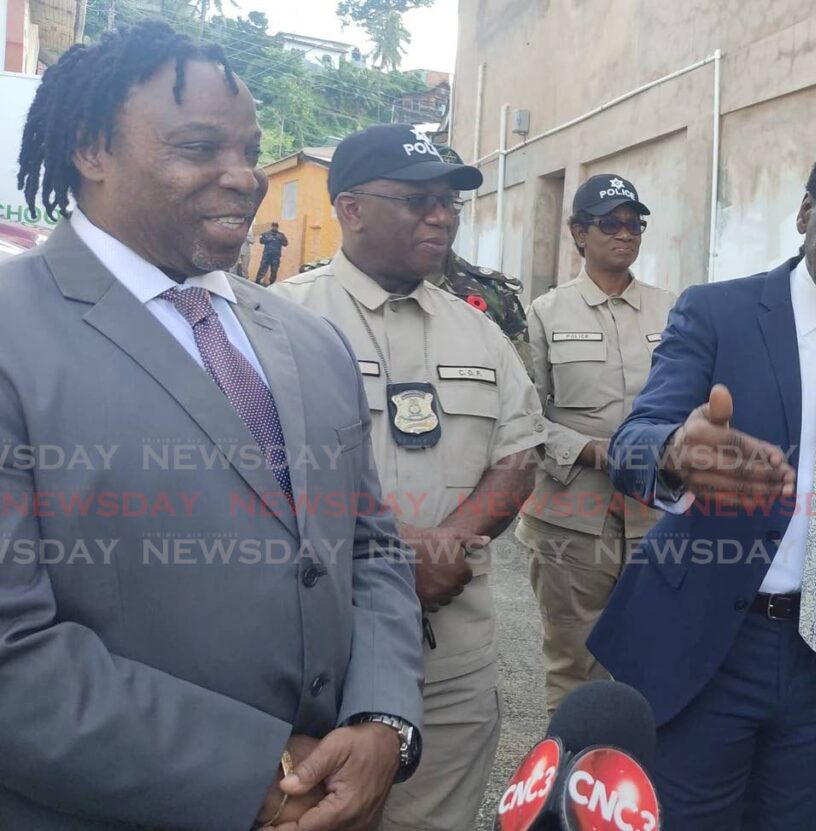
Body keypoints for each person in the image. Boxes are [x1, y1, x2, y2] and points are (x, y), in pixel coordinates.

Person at [1, 23, 423, 829]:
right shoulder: (12, 332)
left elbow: (368, 548)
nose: (243, 178)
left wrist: (382, 722)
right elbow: (11, 650)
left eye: (251, 149)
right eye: (199, 147)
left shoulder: (308, 338)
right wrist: (260, 772)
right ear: (93, 148)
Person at [589, 131, 816, 830]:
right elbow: (632, 441)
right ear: (807, 212)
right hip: (708, 648)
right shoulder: (718, 312)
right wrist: (675, 453)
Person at [272, 123, 545, 831]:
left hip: (453, 665)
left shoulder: (478, 330)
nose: (442, 216)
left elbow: (519, 453)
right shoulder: (279, 321)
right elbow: (252, 475)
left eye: (450, 204)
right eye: (419, 200)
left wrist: (452, 539)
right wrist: (397, 555)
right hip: (323, 664)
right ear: (352, 209)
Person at [516, 174, 675, 713]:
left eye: (634, 224)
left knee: (655, 664)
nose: (625, 234)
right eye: (611, 223)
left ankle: (639, 785)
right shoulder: (544, 313)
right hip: (573, 520)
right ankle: (570, 785)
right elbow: (522, 418)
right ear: (578, 233)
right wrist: (591, 451)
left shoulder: (673, 312)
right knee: (575, 668)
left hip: (658, 520)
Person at [429, 145, 533, 376]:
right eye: (424, 201)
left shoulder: (495, 293)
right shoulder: (338, 293)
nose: (442, 217)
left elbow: (523, 391)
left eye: (452, 203)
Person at [257, 220, 288, 285]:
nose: (274, 227)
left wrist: (281, 240)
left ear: (277, 227)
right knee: (263, 268)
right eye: (273, 226)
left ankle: (272, 283)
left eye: (276, 226)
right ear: (271, 226)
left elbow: (286, 243)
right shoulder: (266, 234)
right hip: (267, 255)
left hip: (276, 256)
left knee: (274, 270)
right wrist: (268, 239)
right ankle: (258, 280)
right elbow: (261, 241)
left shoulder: (281, 235)